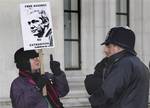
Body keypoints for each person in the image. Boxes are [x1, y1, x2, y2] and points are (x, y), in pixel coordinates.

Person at [84, 26, 149, 108]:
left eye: (108, 46)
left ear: (118, 46)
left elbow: (106, 93)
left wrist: (93, 100)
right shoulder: (140, 64)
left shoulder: (124, 64)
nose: (105, 50)